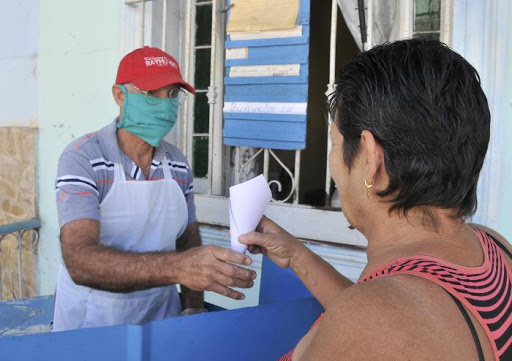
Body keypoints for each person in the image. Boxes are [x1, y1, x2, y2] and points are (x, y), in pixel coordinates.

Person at [239, 39, 511, 361]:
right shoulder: (493, 248)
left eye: (335, 143)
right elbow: (397, 318)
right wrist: (297, 255)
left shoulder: (369, 322)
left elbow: (375, 324)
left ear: (371, 158)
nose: (334, 164)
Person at [53, 46, 256, 331]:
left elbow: (188, 240)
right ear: (120, 95)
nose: (164, 104)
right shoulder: (83, 158)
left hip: (164, 320)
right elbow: (80, 261)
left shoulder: (177, 163)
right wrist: (178, 267)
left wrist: (194, 307)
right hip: (94, 323)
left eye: (172, 94)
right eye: (152, 94)